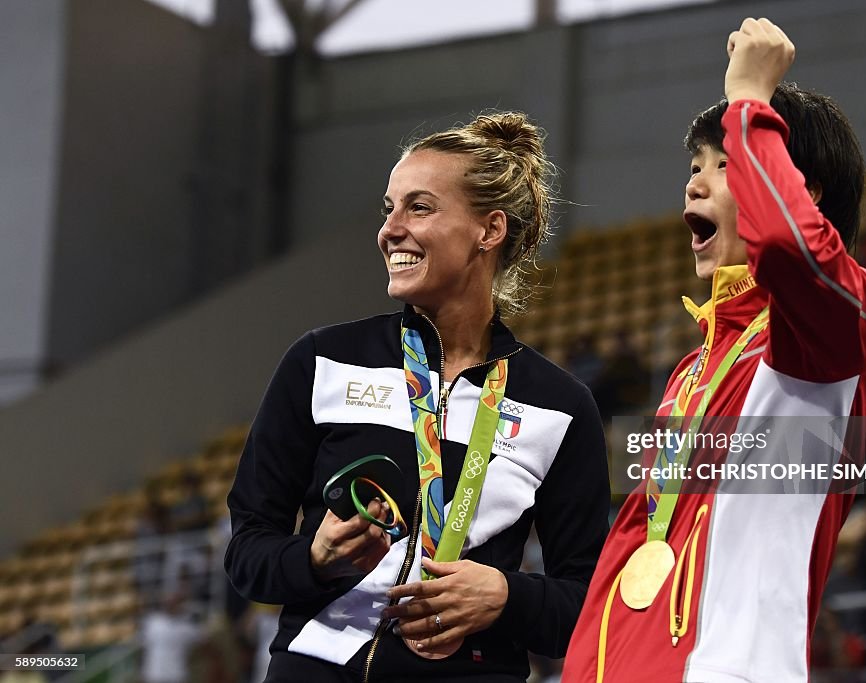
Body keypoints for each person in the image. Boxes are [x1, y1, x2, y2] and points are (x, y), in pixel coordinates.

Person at [563, 18, 866, 682]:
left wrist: (748, 94)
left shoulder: (834, 331)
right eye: (695, 167)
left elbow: (789, 248)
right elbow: (636, 538)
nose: (694, 184)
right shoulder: (694, 370)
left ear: (801, 187)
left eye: (723, 164)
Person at [225, 112, 610, 682]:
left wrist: (507, 595)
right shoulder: (322, 361)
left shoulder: (559, 406)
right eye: (389, 208)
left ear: (489, 230)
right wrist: (311, 559)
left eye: (420, 207)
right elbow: (247, 553)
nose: (391, 228)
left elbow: (591, 607)